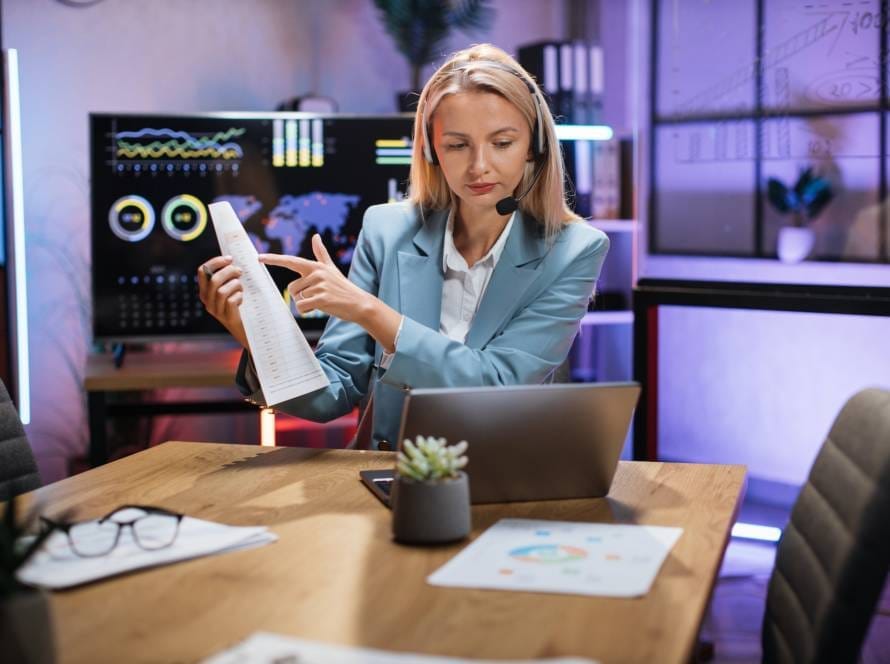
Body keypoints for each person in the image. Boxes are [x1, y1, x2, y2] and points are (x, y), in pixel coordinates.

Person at [198, 43, 610, 450]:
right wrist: (255, 334)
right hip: (391, 471)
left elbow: (498, 384)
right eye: (457, 145)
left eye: (502, 143)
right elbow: (332, 393)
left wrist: (369, 311)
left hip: (503, 473)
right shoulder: (385, 229)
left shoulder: (574, 251)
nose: (479, 166)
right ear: (431, 150)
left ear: (535, 147)